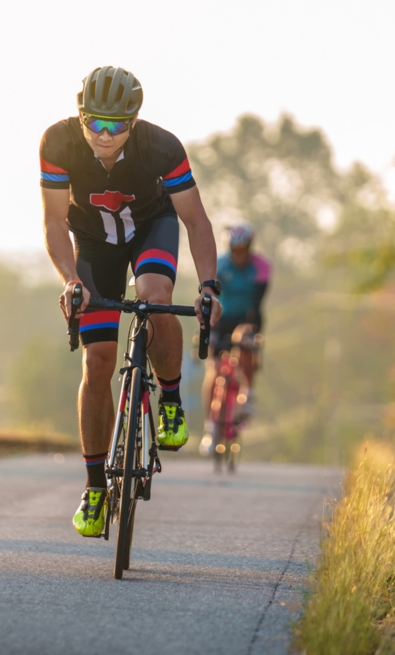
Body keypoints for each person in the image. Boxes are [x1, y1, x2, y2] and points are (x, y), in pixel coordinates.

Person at [40, 66, 221, 537]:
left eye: (116, 125)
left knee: (155, 296)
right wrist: (68, 279)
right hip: (94, 246)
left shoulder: (162, 147)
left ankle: (173, 400)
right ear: (80, 116)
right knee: (97, 362)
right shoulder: (57, 144)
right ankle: (96, 487)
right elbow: (55, 223)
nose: (104, 135)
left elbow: (197, 223)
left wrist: (207, 287)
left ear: (134, 120)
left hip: (151, 230)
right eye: (95, 122)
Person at [200, 222, 271, 449]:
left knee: (245, 341)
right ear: (229, 248)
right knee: (213, 368)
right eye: (235, 249)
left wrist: (250, 330)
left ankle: (247, 393)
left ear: (250, 247)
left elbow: (258, 301)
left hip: (248, 317)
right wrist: (206, 332)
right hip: (221, 319)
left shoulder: (261, 266)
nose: (240, 254)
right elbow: (209, 300)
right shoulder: (219, 266)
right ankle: (210, 426)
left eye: (244, 249)